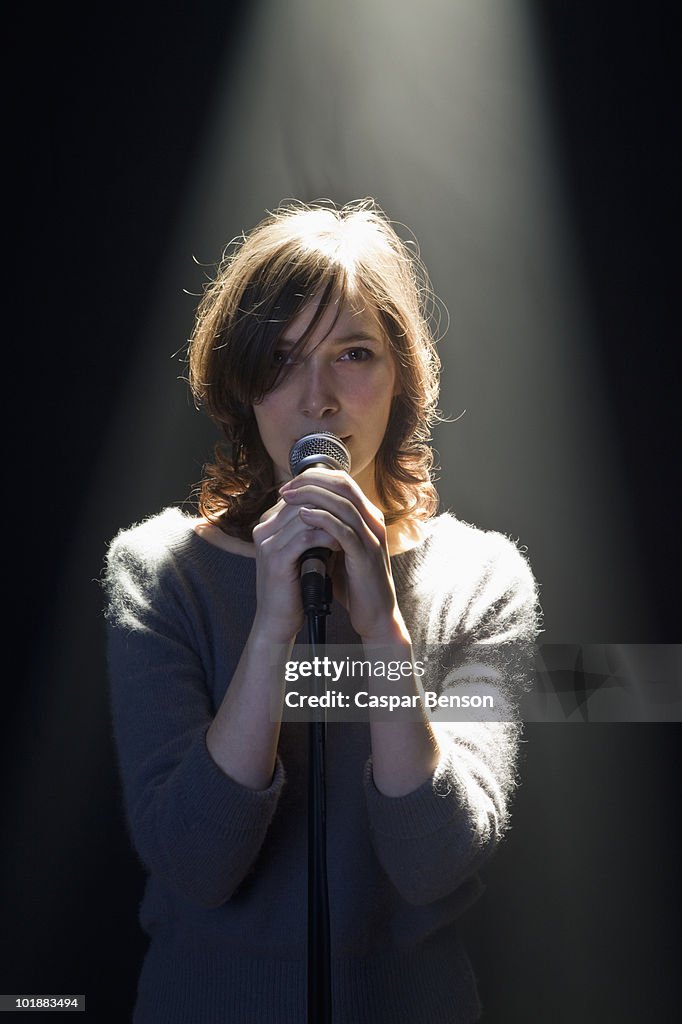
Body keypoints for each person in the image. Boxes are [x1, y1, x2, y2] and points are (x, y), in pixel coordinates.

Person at [103, 198, 541, 1023]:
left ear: (402, 377)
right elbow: (195, 863)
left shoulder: (485, 580)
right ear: (240, 384)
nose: (318, 399)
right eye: (281, 356)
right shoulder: (158, 573)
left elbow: (433, 861)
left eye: (353, 353)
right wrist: (272, 625)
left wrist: (383, 626)